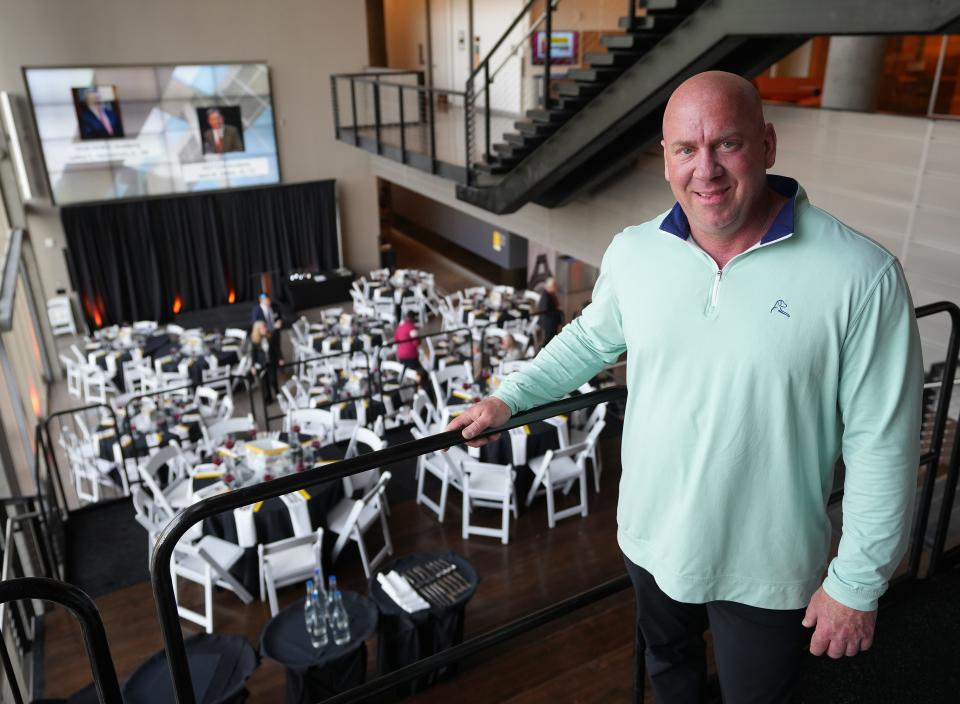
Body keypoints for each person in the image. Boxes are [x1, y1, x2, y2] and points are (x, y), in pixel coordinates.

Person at [446, 70, 923, 703]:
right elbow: (590, 340)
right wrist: (511, 396)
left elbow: (882, 443)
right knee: (670, 676)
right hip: (649, 540)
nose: (707, 170)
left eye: (727, 143)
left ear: (768, 145)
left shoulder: (861, 276)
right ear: (665, 159)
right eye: (686, 149)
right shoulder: (635, 252)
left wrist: (857, 584)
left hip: (768, 567)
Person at [243, 319, 276, 402]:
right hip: (261, 365)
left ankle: (276, 393)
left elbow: (274, 349)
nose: (265, 329)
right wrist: (253, 366)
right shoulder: (254, 341)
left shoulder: (268, 337)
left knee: (273, 379)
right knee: (264, 383)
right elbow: (252, 355)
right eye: (263, 328)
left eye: (265, 327)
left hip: (270, 362)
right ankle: (267, 399)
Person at [536, 277, 563, 345]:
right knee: (548, 339)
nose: (556, 287)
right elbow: (545, 310)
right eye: (554, 286)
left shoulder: (550, 293)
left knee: (552, 337)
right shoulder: (546, 296)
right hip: (549, 323)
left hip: (552, 321)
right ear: (550, 286)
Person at [394, 311, 422, 375]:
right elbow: (416, 343)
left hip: (401, 355)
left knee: (407, 372)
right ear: (413, 318)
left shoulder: (400, 327)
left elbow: (396, 340)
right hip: (411, 355)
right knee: (420, 373)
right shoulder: (412, 328)